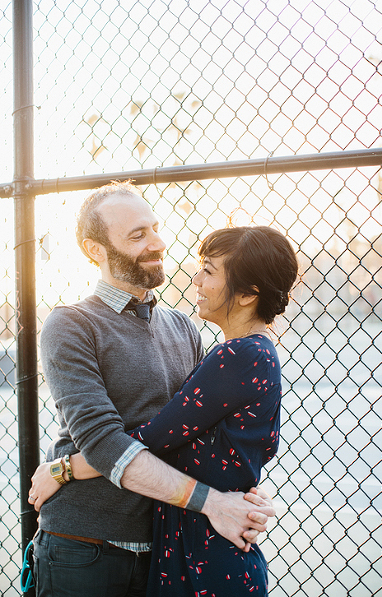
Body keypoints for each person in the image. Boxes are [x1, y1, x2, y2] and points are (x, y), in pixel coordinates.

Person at [25, 182, 277, 597]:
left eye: (155, 228)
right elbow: (104, 443)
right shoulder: (71, 325)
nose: (158, 243)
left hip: (168, 550)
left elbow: (199, 436)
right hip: (86, 550)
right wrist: (212, 502)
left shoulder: (183, 327)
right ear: (96, 250)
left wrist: (244, 494)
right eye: (137, 235)